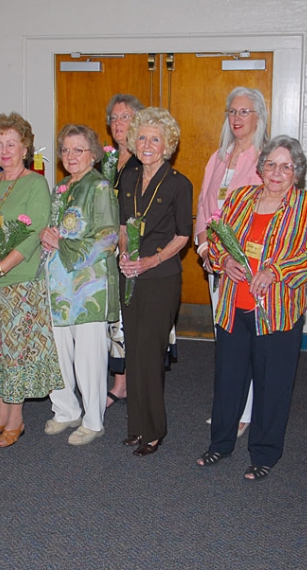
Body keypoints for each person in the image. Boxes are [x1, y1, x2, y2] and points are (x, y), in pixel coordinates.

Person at [195, 136, 307, 480]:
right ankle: (220, 444)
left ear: (297, 172)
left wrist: (275, 271)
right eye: (271, 165)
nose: (277, 173)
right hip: (234, 306)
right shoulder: (239, 198)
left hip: (278, 311)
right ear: (260, 168)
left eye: (286, 166)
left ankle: (265, 453)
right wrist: (223, 262)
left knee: (272, 384)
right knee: (228, 380)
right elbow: (216, 239)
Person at [0, 112, 62, 448]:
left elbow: (34, 234)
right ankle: (0, 415)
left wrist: (2, 267)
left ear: (25, 148)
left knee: (15, 352)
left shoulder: (35, 183)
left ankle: (17, 419)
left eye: (12, 144)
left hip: (19, 281)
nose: (5, 150)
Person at [117, 107, 192, 457]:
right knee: (133, 350)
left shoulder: (179, 184)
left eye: (155, 139)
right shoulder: (128, 179)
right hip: (129, 274)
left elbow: (182, 236)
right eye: (142, 137)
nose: (148, 144)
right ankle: (136, 425)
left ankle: (155, 430)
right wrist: (123, 255)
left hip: (160, 277)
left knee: (150, 352)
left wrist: (150, 260)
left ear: (167, 146)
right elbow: (122, 228)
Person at [195, 86, 269, 438]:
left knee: (249, 340)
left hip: (247, 265)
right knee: (226, 341)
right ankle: (229, 405)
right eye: (232, 112)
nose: (237, 119)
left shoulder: (265, 158)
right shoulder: (218, 157)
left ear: (259, 117)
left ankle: (247, 411)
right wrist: (206, 250)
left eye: (244, 112)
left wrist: (236, 256)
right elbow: (203, 207)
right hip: (216, 262)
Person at [41, 124, 119, 445]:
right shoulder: (60, 187)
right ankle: (65, 410)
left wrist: (62, 245)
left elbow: (108, 238)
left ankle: (92, 419)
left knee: (89, 357)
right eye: (65, 150)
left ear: (93, 154)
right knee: (57, 351)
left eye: (78, 150)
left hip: (89, 286)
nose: (71, 156)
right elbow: (54, 231)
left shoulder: (99, 186)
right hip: (58, 285)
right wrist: (47, 238)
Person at [104, 93, 144, 408]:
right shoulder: (105, 161)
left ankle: (125, 384)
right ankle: (120, 380)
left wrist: (125, 245)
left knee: (128, 316)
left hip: (131, 250)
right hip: (105, 252)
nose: (119, 123)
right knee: (113, 317)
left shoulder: (143, 162)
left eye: (125, 117)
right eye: (114, 118)